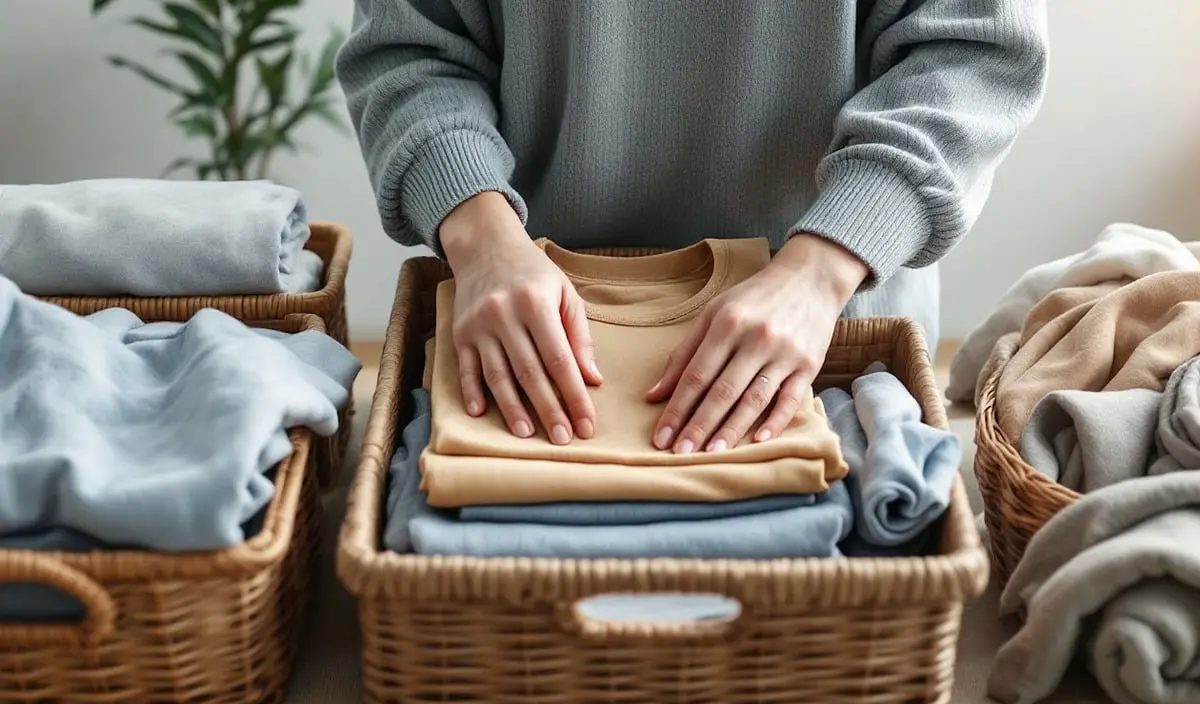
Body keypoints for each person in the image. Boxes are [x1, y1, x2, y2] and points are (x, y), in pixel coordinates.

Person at [337, 1, 1048, 453]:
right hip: (528, 334)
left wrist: (820, 268)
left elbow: (972, 53)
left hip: (830, 341)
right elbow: (411, 48)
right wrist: (485, 243)